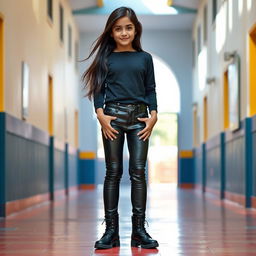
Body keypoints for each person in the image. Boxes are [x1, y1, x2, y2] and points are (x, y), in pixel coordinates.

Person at [81, 6, 159, 250]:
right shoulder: (106, 58)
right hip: (112, 118)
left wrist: (154, 116)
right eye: (118, 28)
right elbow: (98, 90)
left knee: (138, 172)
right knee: (112, 172)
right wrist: (100, 115)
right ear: (111, 32)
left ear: (136, 30)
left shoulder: (145, 58)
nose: (124, 32)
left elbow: (150, 89)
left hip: (139, 118)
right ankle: (111, 231)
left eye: (128, 27)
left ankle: (139, 230)